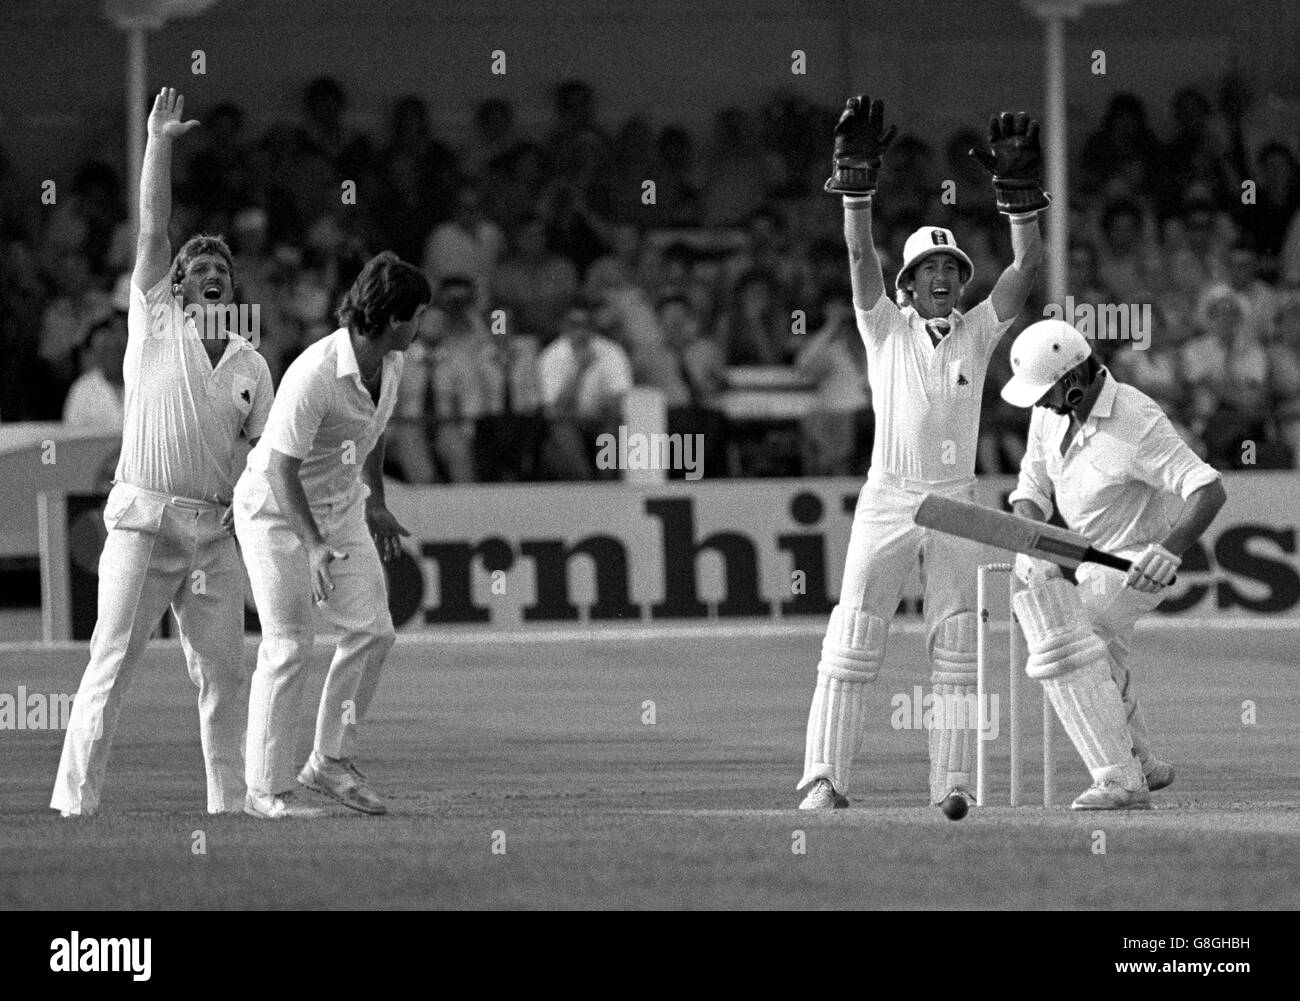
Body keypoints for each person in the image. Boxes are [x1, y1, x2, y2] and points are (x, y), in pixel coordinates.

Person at [797, 99, 1045, 816]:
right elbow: (855, 253)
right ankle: (824, 779)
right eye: (928, 267)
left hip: (958, 499)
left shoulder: (975, 332)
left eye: (951, 266)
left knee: (960, 649)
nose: (942, 275)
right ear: (907, 284)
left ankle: (955, 785)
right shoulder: (883, 329)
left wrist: (1019, 199)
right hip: (889, 494)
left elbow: (1028, 265)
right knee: (853, 639)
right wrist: (855, 180)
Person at [51, 88, 274, 817]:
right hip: (144, 523)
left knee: (223, 680)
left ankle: (228, 808)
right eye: (197, 268)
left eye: (222, 271)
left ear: (232, 288)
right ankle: (73, 807)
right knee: (110, 664)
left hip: (211, 534)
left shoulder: (249, 364)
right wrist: (159, 143)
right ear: (175, 286)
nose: (212, 274)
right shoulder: (154, 324)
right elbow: (152, 227)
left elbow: (261, 461)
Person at [234, 251, 430, 819]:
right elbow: (278, 468)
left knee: (373, 632)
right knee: (289, 644)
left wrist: (378, 501)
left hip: (341, 508)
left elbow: (375, 427)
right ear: (393, 319)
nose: (421, 327)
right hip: (274, 512)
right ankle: (264, 791)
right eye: (417, 315)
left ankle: (329, 761)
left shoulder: (389, 365)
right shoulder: (316, 371)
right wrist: (313, 544)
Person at [1000, 319, 1226, 807]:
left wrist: (1170, 549)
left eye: (1045, 392)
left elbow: (1208, 488)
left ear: (1073, 381)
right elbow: (1031, 490)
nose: (1038, 402)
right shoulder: (1049, 414)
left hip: (1136, 563)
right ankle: (1141, 760)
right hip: (1086, 563)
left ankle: (1120, 778)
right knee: (1100, 659)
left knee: (1068, 646)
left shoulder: (1137, 420)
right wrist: (1029, 540)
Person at [63, 312, 127, 428]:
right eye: (106, 350)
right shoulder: (82, 390)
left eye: (117, 350)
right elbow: (71, 438)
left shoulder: (146, 384)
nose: (112, 355)